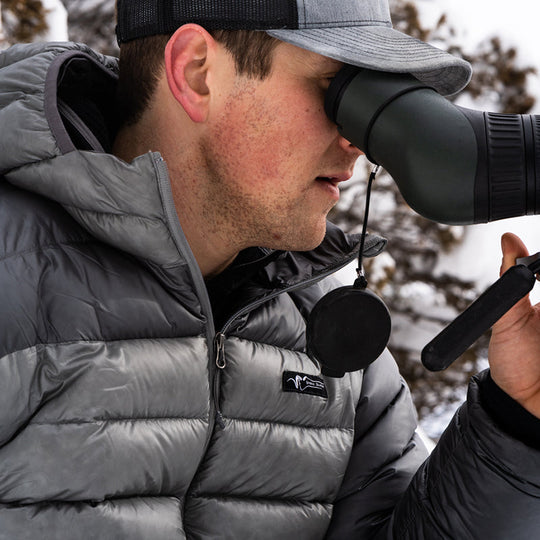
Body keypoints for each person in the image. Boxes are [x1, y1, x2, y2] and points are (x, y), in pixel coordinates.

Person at [0, 0, 539, 538]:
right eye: (337, 89)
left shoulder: (328, 339)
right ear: (196, 72)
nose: (358, 140)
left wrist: (516, 420)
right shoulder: (13, 284)